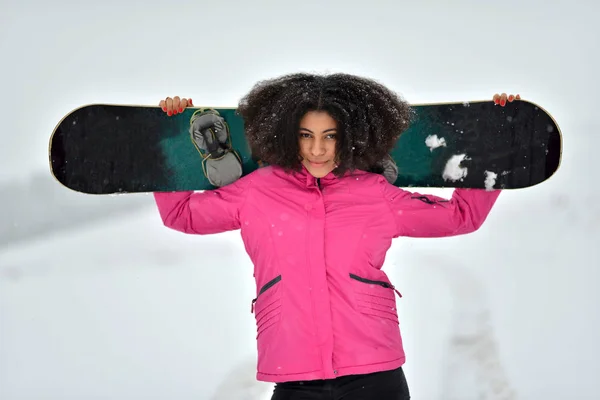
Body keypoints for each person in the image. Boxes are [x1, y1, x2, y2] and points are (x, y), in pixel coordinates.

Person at [154, 73, 519, 400]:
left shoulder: (373, 192)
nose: (317, 149)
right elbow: (182, 215)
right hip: (294, 375)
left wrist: (495, 143)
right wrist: (173, 140)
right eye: (306, 135)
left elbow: (460, 216)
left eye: (330, 136)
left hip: (374, 373)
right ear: (286, 135)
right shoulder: (257, 192)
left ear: (349, 138)